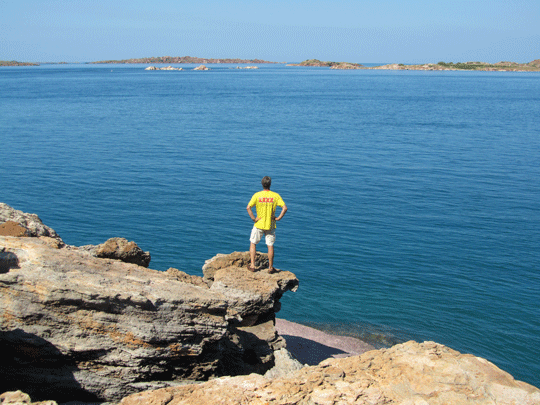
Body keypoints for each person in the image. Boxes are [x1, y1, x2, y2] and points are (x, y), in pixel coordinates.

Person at [246, 176, 287, 273]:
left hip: (258, 224)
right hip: (271, 225)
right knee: (270, 245)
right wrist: (278, 218)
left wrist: (254, 218)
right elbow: (284, 208)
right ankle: (270, 268)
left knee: (253, 243)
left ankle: (252, 266)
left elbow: (248, 208)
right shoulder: (275, 196)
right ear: (270, 184)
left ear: (262, 184)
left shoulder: (257, 195)